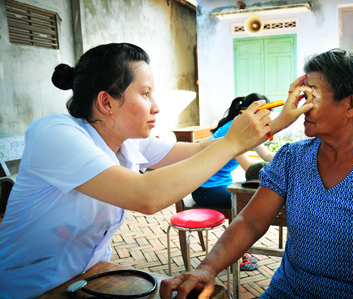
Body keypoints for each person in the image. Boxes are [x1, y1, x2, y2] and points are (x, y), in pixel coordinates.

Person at [0, 43, 313, 299]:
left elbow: (202, 151)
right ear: (107, 102)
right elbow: (146, 196)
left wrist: (279, 120)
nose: (156, 106)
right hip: (28, 289)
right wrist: (232, 141)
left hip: (88, 279)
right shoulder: (55, 134)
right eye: (145, 93)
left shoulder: (127, 143)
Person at [160, 48, 353, 299]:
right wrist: (207, 268)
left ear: (350, 105)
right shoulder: (293, 157)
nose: (299, 104)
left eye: (310, 94)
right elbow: (251, 222)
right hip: (285, 291)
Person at [192, 93, 275, 271]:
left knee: (244, 200)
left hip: (219, 185)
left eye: (270, 113)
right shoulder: (235, 131)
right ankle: (235, 254)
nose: (269, 118)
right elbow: (249, 169)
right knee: (245, 203)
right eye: (265, 113)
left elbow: (266, 156)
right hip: (206, 189)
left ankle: (235, 252)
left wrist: (290, 158)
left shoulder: (247, 127)